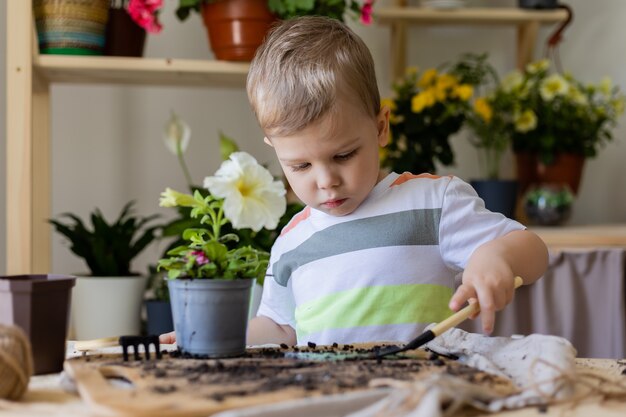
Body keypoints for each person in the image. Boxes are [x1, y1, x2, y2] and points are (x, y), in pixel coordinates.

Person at [161, 16, 548, 347]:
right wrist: (213, 337)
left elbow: (533, 251)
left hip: (419, 395)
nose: (326, 181)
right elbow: (280, 328)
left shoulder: (432, 202)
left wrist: (496, 256)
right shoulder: (291, 241)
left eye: (343, 155)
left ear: (381, 127)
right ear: (274, 150)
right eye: (299, 166)